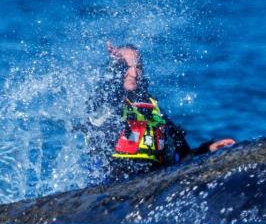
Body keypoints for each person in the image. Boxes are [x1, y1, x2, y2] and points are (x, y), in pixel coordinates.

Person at [86, 42, 235, 182]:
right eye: (124, 66)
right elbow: (101, 98)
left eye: (138, 67)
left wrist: (207, 149)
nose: (133, 73)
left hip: (149, 185)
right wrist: (114, 70)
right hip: (111, 187)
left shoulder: (154, 111)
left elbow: (182, 158)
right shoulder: (105, 105)